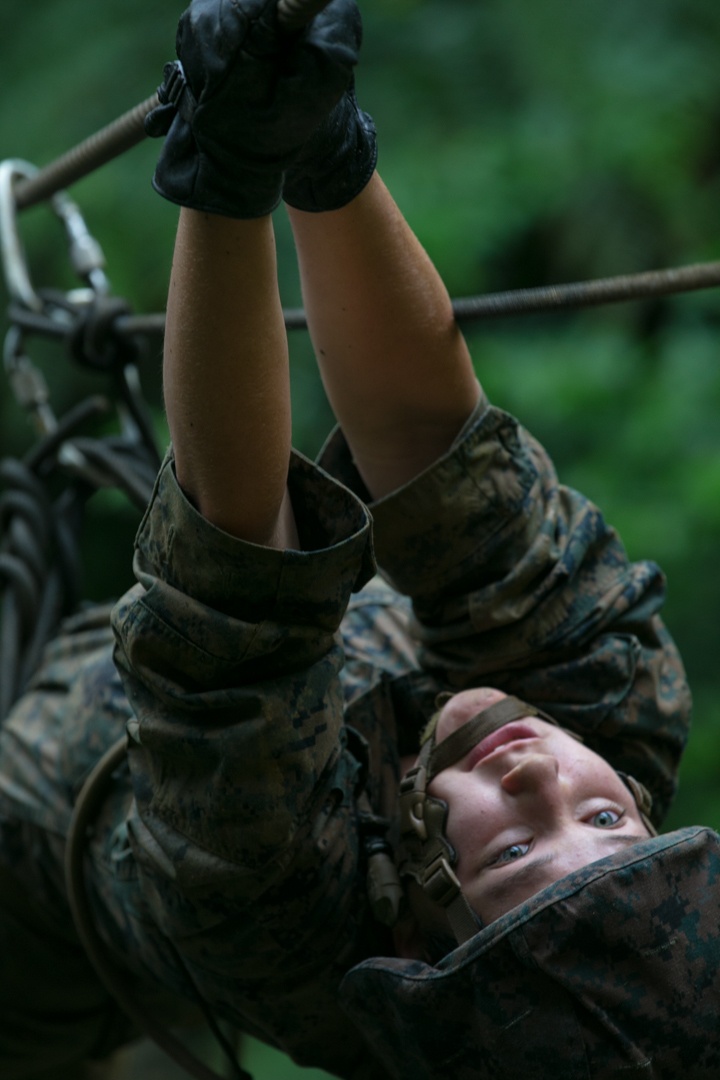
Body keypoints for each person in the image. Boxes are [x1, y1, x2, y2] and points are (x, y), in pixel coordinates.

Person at [1, 1, 719, 1078]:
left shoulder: (282, 917)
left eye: (515, 855)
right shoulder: (614, 710)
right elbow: (438, 452)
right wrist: (326, 152)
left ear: (422, 931)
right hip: (88, 663)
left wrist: (232, 171)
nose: (539, 782)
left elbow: (234, 570)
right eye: (608, 818)